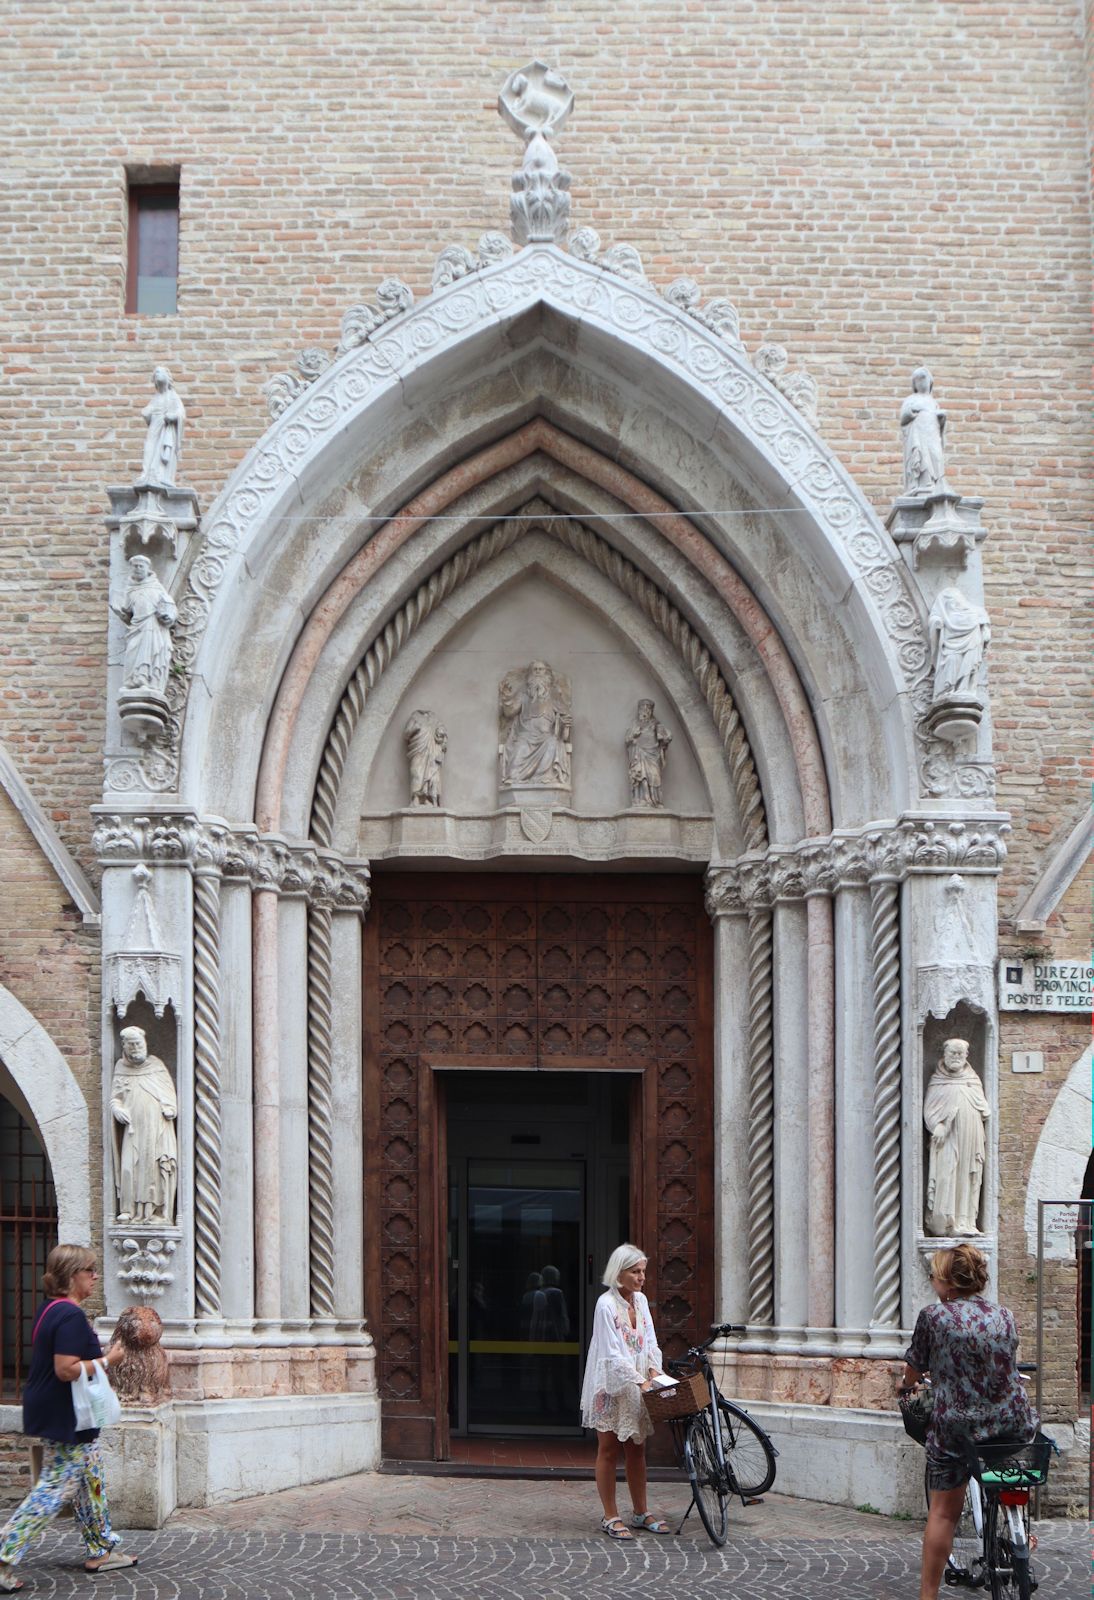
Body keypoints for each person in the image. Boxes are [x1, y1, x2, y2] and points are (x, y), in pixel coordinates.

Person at [899, 1243, 1035, 1600]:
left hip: (957, 1428)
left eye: (934, 1275)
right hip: (1011, 1423)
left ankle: (928, 1596)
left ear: (947, 1281)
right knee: (1009, 1464)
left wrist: (905, 1384)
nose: (932, 1281)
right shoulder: (1004, 1315)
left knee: (944, 1513)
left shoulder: (934, 1316)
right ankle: (1019, 1530)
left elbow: (915, 1365)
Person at [0, 1245, 136, 1590]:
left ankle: (101, 1548)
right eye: (89, 1269)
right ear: (72, 1275)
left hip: (59, 1409)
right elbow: (66, 1369)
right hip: (66, 1414)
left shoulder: (50, 1310)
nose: (94, 1276)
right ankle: (3, 1555)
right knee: (54, 1488)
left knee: (90, 1475)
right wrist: (109, 1360)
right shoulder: (71, 1315)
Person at [580, 1244, 671, 1542]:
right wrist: (638, 1380)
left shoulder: (642, 1301)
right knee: (608, 1448)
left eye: (643, 1271)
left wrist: (655, 1371)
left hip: (638, 1383)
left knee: (637, 1448)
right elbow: (612, 1354)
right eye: (635, 1271)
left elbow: (650, 1342)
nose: (642, 1277)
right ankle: (610, 1515)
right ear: (619, 1272)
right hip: (612, 1384)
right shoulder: (605, 1304)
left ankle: (641, 1511)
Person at [110, 1025, 178, 1224]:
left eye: (138, 1044)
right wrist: (116, 1108)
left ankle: (158, 1211)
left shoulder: (156, 1066)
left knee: (154, 1168)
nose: (135, 1048)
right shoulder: (121, 1068)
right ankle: (129, 1209)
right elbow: (116, 1097)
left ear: (145, 1043)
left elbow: (168, 1095)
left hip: (157, 1129)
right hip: (133, 1129)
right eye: (131, 1045)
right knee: (130, 1167)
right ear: (124, 1047)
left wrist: (170, 1109)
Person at [923, 1038, 990, 1236]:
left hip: (971, 1136)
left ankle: (966, 1222)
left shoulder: (973, 1080)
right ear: (944, 1055)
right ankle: (945, 1223)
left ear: (966, 1056)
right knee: (947, 1175)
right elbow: (930, 1110)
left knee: (969, 1176)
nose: (956, 1057)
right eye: (953, 1053)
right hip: (947, 1139)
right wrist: (937, 1125)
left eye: (960, 1054)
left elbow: (984, 1108)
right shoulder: (937, 1081)